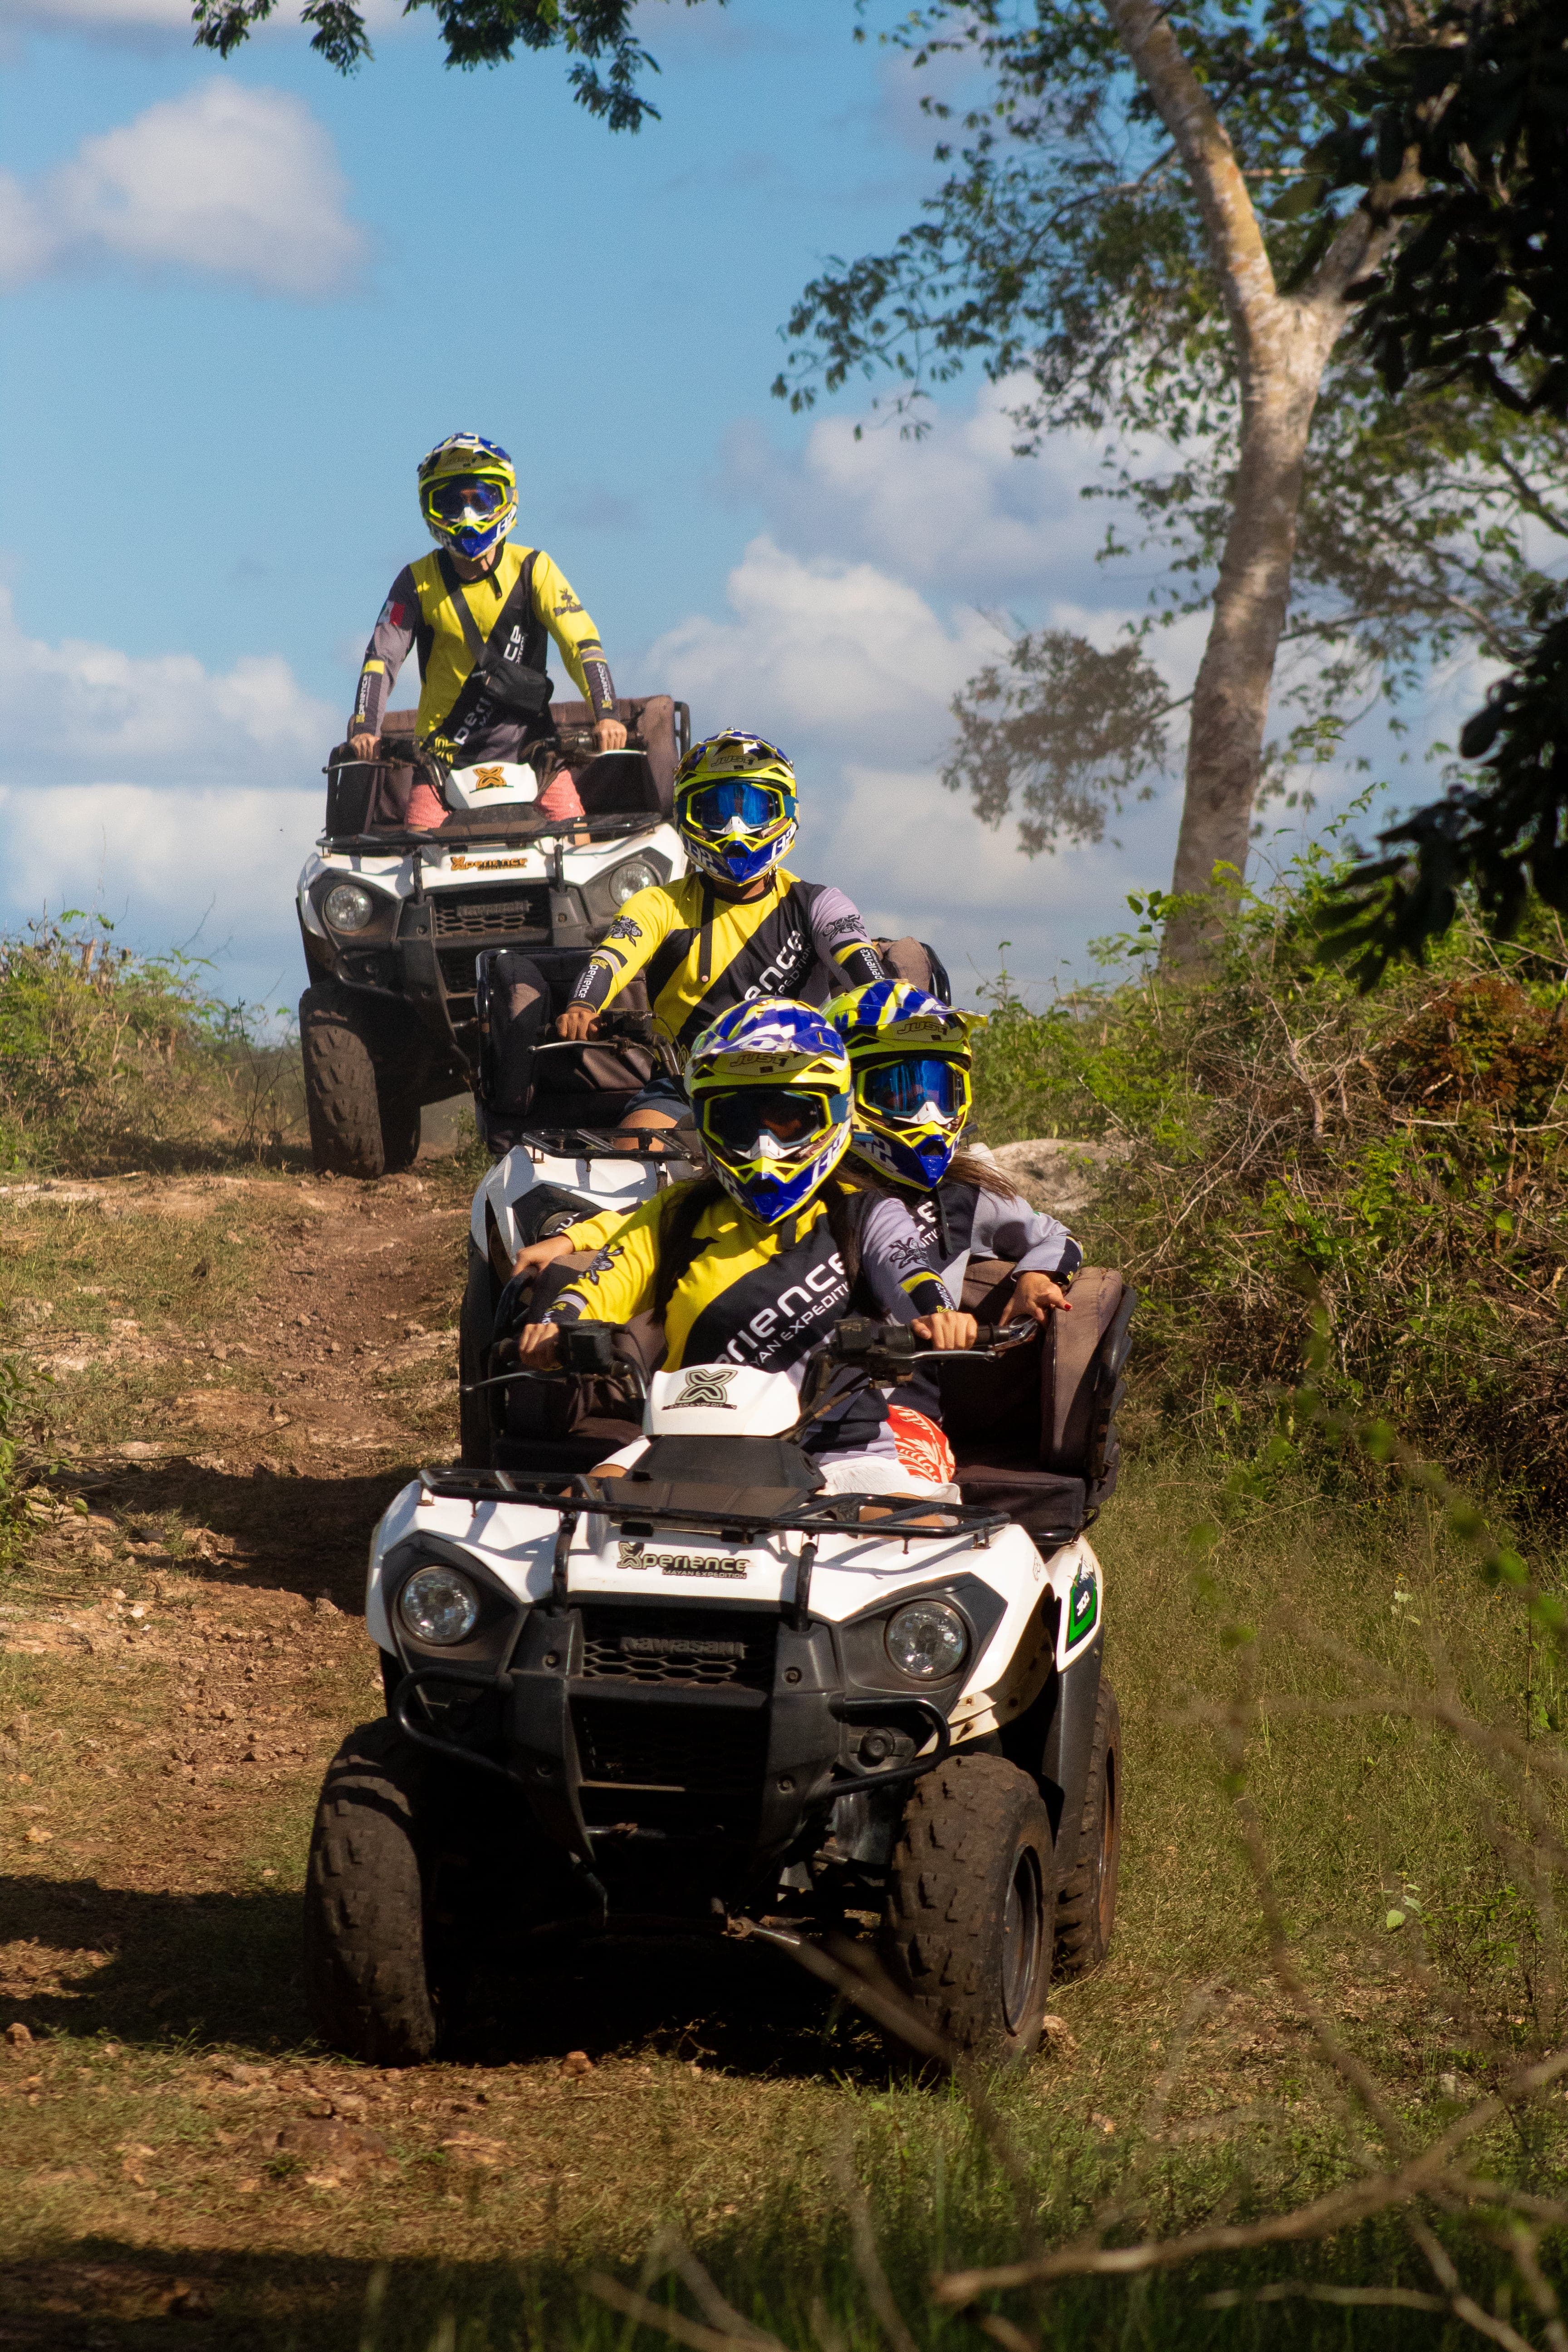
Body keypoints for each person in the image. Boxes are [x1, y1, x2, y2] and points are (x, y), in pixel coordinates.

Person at [508, 998, 980, 1493]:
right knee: (576, 1512)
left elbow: (910, 1270)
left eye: (787, 1118)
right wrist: (557, 1323)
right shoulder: (676, 1213)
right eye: (738, 1120)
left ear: (835, 1114)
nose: (764, 1145)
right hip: (684, 1438)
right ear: (706, 1124)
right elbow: (604, 1281)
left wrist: (938, 1313)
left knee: (909, 1538)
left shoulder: (867, 1213)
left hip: (842, 1445)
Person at [551, 730, 887, 1126]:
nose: (735, 827)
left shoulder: (820, 904)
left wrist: (884, 1003)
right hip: (689, 1085)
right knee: (636, 1144)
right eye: (715, 812)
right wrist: (583, 1005)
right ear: (685, 816)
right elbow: (608, 961)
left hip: (805, 1082)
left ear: (786, 811)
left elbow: (865, 973)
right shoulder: (658, 904)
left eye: (755, 809)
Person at [347, 432, 627, 830]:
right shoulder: (415, 581)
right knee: (414, 859)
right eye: (450, 503)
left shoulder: (535, 568)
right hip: (442, 759)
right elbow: (382, 658)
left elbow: (581, 643)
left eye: (481, 500)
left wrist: (608, 715)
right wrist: (364, 728)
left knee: (578, 842)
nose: (468, 516)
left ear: (506, 500)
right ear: (431, 509)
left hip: (534, 751)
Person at [826, 980, 1082, 1324]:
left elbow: (1058, 1237)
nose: (929, 1114)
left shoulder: (960, 1194)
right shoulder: (809, 1197)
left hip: (918, 1372)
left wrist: (1036, 1276)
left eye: (940, 1091)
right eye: (898, 1093)